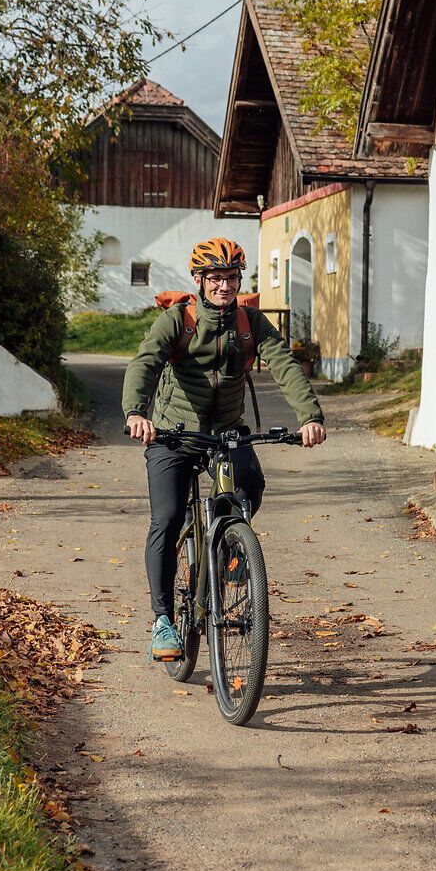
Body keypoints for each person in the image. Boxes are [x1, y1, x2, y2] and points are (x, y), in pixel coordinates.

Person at [124, 236, 326, 660]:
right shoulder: (179, 319)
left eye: (231, 277)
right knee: (166, 519)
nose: (224, 286)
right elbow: (146, 362)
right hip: (172, 434)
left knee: (249, 484)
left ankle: (230, 553)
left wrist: (309, 416)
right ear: (199, 279)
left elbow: (284, 363)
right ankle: (163, 620)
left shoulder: (251, 323)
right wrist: (136, 413)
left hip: (225, 431)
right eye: (215, 277)